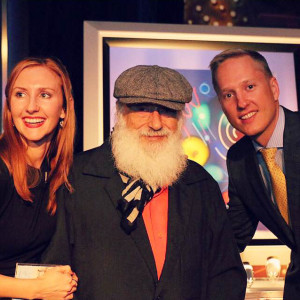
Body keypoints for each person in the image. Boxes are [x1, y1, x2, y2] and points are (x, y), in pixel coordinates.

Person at [44, 64, 246, 300]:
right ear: (121, 113)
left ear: (180, 119)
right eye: (142, 109)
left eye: (167, 111)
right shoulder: (76, 178)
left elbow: (226, 275)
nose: (156, 123)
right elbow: (54, 273)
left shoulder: (201, 184)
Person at [209, 49, 300, 299]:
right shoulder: (238, 158)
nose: (241, 103)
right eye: (229, 94)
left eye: (249, 86)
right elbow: (232, 235)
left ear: (273, 87)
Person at [0, 57, 78, 299]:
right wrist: (36, 289)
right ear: (9, 108)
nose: (31, 107)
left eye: (45, 95)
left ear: (63, 108)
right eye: (20, 94)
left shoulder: (62, 173)